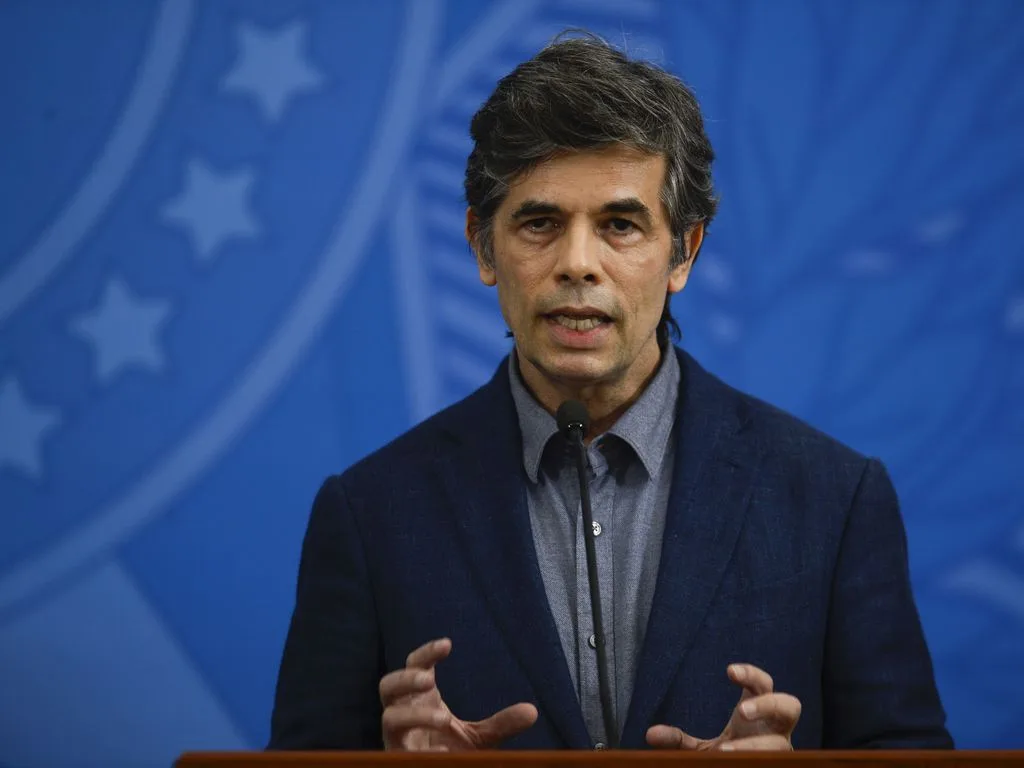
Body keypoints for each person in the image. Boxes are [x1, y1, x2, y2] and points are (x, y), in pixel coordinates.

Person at [267, 33, 953, 752]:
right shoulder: (369, 513)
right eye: (540, 223)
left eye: (620, 225)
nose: (578, 264)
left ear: (684, 252)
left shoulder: (833, 499)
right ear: (482, 248)